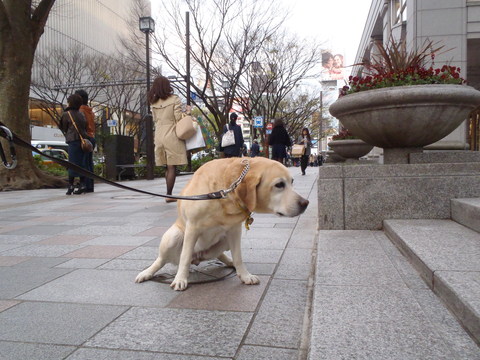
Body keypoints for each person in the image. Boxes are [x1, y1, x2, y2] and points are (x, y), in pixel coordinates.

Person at [148, 76, 190, 203]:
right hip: (171, 133)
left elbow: (155, 119)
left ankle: (168, 193)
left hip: (159, 134)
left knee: (167, 167)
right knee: (172, 167)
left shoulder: (153, 102)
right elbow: (178, 117)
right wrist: (187, 112)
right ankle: (169, 194)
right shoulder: (174, 99)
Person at [59, 94, 89, 195]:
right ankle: (83, 184)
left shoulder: (67, 114)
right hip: (83, 141)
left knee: (72, 163)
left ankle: (71, 185)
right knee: (81, 163)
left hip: (73, 140)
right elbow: (86, 126)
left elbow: (63, 127)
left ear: (70, 102)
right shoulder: (81, 114)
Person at [75, 89, 95, 193]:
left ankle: (86, 186)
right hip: (91, 137)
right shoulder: (90, 111)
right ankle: (90, 185)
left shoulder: (80, 111)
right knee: (89, 163)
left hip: (85, 137)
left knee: (83, 163)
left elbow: (81, 126)